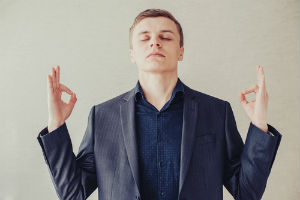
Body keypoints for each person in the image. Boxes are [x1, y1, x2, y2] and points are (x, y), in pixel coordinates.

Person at [37, 8, 282, 200]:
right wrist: (56, 124)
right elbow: (73, 194)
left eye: (165, 37)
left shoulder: (217, 112)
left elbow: (246, 193)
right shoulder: (102, 116)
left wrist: (259, 124)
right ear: (132, 54)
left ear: (181, 51)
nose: (155, 42)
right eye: (145, 38)